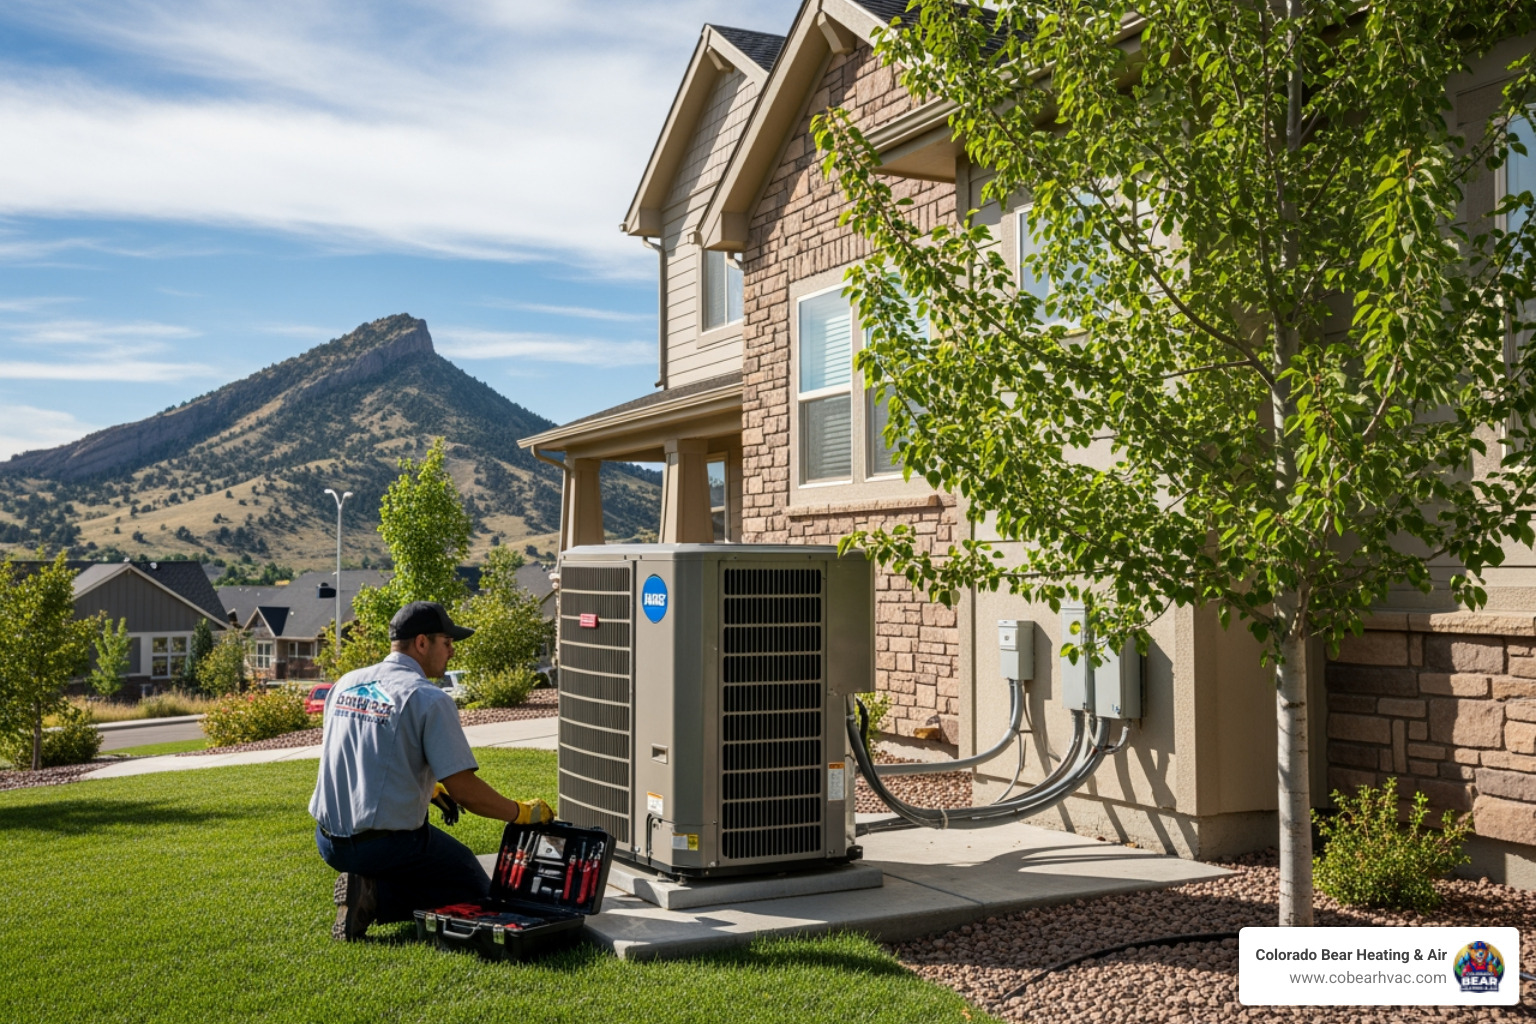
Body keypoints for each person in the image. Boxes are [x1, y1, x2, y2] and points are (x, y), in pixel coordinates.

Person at [310, 600, 552, 940]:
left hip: (328, 841)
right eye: (447, 642)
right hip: (382, 845)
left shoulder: (345, 684)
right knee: (473, 888)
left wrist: (429, 790)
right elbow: (466, 792)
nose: (452, 651)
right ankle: (372, 896)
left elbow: (365, 754)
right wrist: (521, 813)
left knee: (426, 859)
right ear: (422, 643)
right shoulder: (427, 698)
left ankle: (366, 882)